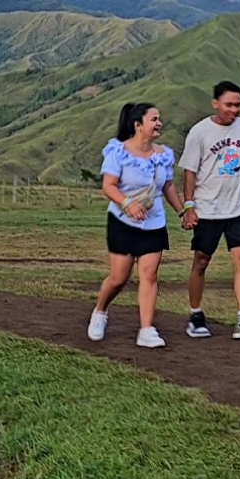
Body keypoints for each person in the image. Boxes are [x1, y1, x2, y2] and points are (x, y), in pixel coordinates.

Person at [179, 80, 240, 340]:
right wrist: (189, 206)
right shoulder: (199, 132)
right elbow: (189, 172)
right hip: (208, 209)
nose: (234, 110)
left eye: (238, 105)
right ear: (215, 103)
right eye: (229, 104)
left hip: (238, 206)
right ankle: (196, 315)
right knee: (201, 261)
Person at [88, 103, 185, 349]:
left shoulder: (163, 155)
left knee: (149, 275)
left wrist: (183, 211)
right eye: (154, 119)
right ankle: (100, 312)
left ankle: (146, 329)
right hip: (123, 221)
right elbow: (108, 186)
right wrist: (128, 203)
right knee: (119, 277)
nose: (159, 123)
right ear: (137, 125)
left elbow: (168, 187)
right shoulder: (118, 152)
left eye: (159, 119)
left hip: (154, 223)